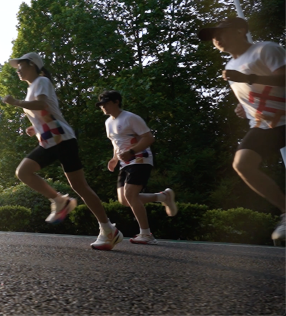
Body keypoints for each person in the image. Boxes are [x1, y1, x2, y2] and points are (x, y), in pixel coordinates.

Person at [2, 52, 122, 250]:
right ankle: (109, 229)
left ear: (32, 65)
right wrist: (36, 127)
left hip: (59, 139)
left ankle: (60, 201)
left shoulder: (41, 81)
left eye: (20, 66)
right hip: (56, 138)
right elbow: (45, 111)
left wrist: (16, 102)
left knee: (24, 172)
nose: (18, 70)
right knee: (80, 187)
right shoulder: (33, 87)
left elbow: (41, 104)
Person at [198, 17, 286, 241]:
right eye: (213, 37)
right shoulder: (230, 65)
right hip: (265, 126)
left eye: (221, 33)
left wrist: (247, 77)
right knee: (242, 164)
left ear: (240, 31)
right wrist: (242, 106)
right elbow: (253, 91)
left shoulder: (266, 49)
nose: (216, 39)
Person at [97, 90, 177, 245]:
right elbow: (116, 142)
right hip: (124, 163)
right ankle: (163, 197)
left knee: (130, 194)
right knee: (125, 200)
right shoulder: (108, 123)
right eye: (101, 105)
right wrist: (114, 158)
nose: (103, 107)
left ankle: (146, 234)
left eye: (106, 103)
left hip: (140, 159)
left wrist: (132, 151)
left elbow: (149, 138)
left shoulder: (131, 118)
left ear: (116, 102)